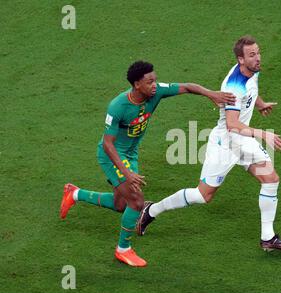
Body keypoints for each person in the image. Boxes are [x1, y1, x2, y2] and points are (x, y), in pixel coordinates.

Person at [59, 61, 236, 267]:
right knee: (136, 201)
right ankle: (123, 249)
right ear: (136, 84)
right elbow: (108, 144)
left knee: (121, 205)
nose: (155, 85)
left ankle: (74, 193)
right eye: (149, 81)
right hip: (113, 154)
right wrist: (127, 173)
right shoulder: (118, 106)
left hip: (130, 154)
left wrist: (211, 94)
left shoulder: (156, 92)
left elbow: (187, 87)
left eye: (155, 80)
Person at [137, 36, 281, 252]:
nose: (258, 58)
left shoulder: (251, 70)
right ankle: (151, 210)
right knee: (203, 195)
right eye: (252, 55)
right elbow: (231, 124)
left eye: (258, 53)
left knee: (270, 179)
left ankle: (268, 238)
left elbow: (251, 90)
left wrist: (259, 104)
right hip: (227, 142)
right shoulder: (233, 87)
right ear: (241, 60)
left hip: (243, 141)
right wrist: (262, 134)